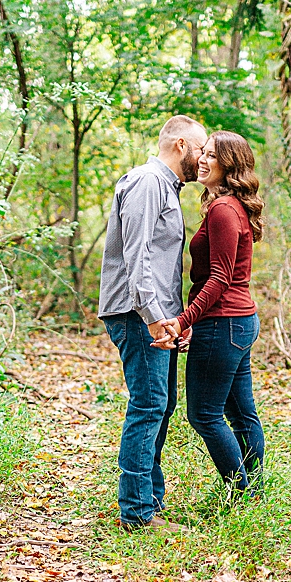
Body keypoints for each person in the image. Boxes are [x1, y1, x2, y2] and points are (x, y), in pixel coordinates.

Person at [97, 114, 205, 533]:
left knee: (162, 405)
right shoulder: (147, 182)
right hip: (137, 314)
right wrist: (156, 317)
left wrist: (176, 317)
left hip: (156, 316)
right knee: (149, 405)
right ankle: (138, 514)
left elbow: (160, 265)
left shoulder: (166, 188)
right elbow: (137, 257)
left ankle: (149, 503)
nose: (203, 157)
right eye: (199, 148)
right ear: (180, 144)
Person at [152, 131, 265, 496]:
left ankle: (243, 493)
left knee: (204, 414)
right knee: (241, 413)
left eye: (212, 155)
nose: (203, 159)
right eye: (204, 152)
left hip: (223, 324)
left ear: (229, 165)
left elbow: (219, 278)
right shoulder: (232, 206)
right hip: (239, 322)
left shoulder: (222, 209)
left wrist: (184, 320)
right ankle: (254, 492)